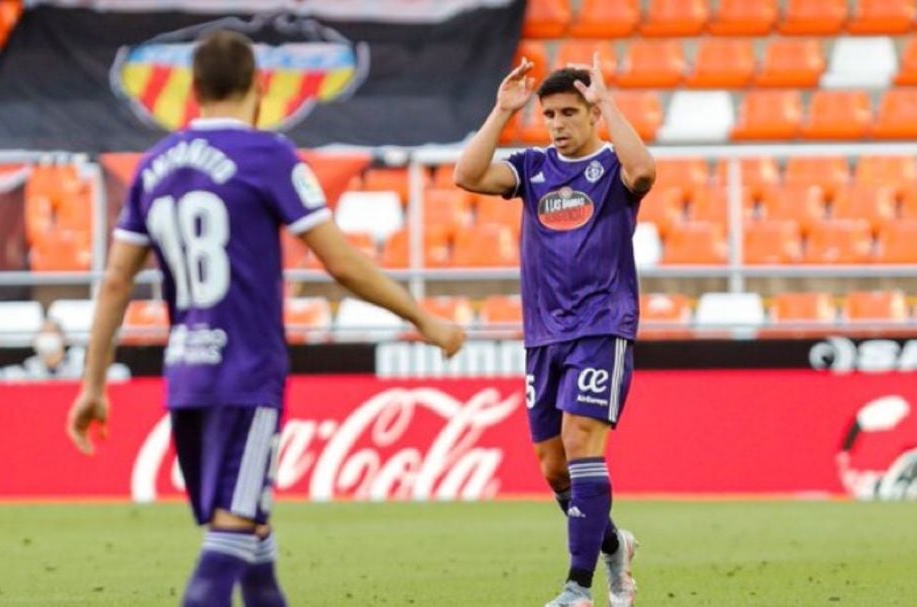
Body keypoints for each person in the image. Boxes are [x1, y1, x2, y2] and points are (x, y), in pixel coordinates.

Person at [65, 30, 465, 607]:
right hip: (246, 373)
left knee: (250, 528)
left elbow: (115, 282)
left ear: (193, 89)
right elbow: (341, 262)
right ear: (260, 88)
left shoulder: (153, 167)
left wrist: (93, 385)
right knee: (232, 530)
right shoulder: (268, 155)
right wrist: (423, 320)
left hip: (186, 375)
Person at [453, 55, 655, 607]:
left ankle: (577, 589)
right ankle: (614, 544)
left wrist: (610, 101)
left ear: (592, 115)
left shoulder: (613, 166)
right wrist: (500, 112)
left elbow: (645, 174)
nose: (559, 124)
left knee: (580, 442)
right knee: (552, 465)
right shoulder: (532, 167)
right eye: (550, 114)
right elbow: (466, 175)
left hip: (601, 327)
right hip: (543, 334)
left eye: (570, 112)